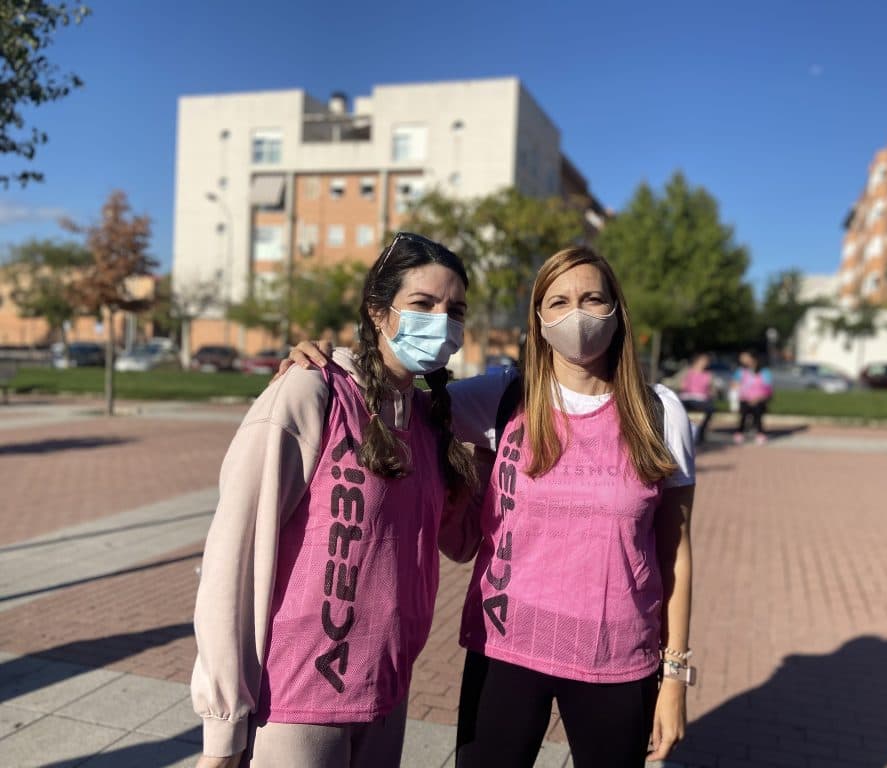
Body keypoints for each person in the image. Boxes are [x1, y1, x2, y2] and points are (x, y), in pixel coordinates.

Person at [286, 245, 698, 767]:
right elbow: (391, 396)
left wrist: (676, 678)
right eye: (559, 301)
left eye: (593, 299)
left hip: (616, 655)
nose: (577, 314)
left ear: (617, 311)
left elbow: (676, 554)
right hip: (506, 644)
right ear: (540, 317)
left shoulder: (661, 413)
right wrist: (327, 363)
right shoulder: (503, 397)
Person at [191, 232, 476, 768]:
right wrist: (223, 725)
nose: (441, 319)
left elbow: (461, 543)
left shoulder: (430, 422)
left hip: (386, 696)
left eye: (454, 309)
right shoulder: (312, 391)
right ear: (377, 312)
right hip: (299, 702)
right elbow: (234, 552)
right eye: (422, 304)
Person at [731, 350, 773, 445]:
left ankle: (760, 432)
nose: (742, 360)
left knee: (757, 409)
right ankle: (739, 431)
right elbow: (734, 385)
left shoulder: (764, 372)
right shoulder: (741, 371)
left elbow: (768, 389)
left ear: (753, 358)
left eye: (745, 357)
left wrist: (759, 398)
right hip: (744, 399)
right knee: (744, 410)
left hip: (760, 399)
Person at [678, 353, 715, 444]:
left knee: (710, 409)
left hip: (701, 399)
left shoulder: (708, 375)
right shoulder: (687, 372)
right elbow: (680, 385)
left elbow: (711, 390)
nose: (705, 363)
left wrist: (711, 392)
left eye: (706, 361)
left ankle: (700, 434)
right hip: (687, 397)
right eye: (703, 360)